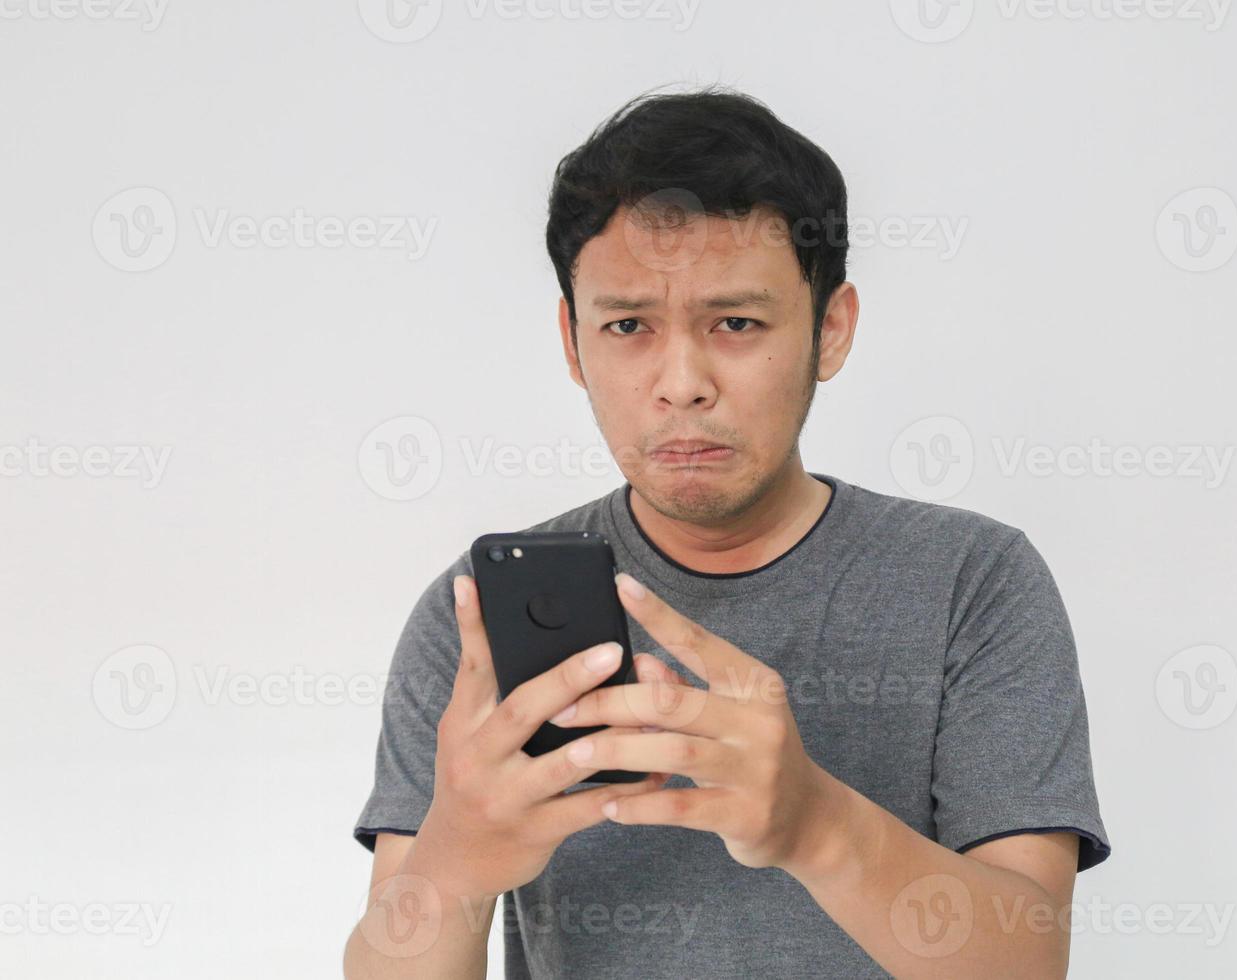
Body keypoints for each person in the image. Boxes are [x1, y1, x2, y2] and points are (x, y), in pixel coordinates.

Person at [344, 85, 1110, 979]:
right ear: (572, 339)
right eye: (628, 325)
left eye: (736, 324)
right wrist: (455, 862)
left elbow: (1027, 961)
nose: (682, 382)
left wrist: (813, 823)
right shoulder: (477, 618)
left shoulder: (973, 580)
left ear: (831, 329)